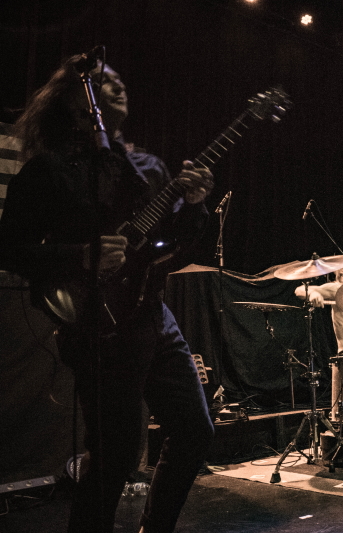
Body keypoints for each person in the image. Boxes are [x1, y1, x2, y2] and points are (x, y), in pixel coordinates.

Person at [0, 54, 215, 532]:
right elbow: (9, 248)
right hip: (101, 331)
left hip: (154, 318)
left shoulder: (146, 168)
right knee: (114, 458)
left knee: (195, 432)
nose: (116, 85)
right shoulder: (49, 171)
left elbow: (171, 251)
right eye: (100, 80)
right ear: (72, 100)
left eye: (119, 78)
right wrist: (79, 255)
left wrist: (196, 209)